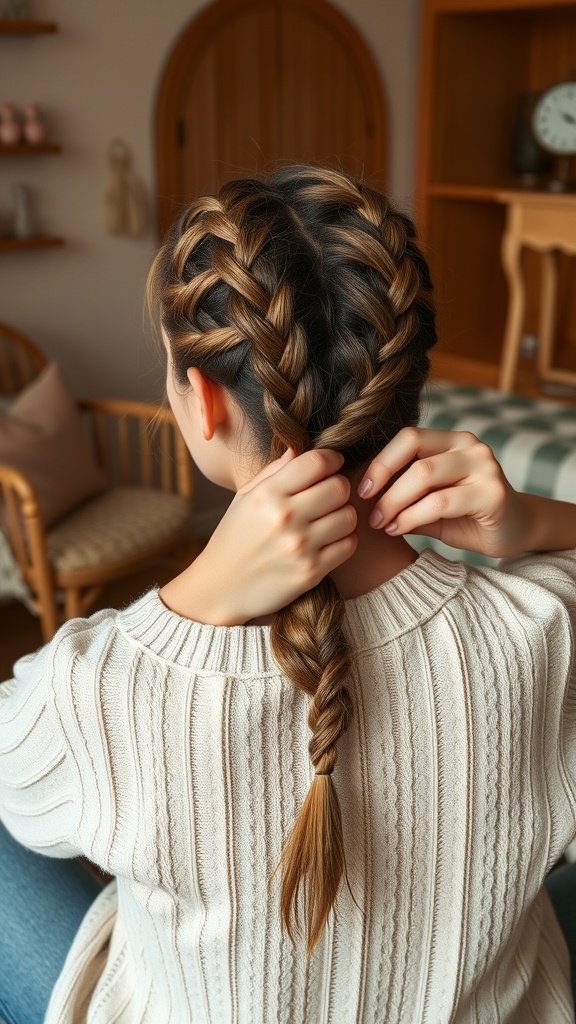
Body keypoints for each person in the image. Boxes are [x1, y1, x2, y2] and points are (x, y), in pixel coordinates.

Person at [0, 164, 575, 1024]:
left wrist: (188, 603)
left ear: (199, 400)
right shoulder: (546, 630)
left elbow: (18, 780)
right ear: (404, 377)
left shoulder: (99, 689)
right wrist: (540, 521)